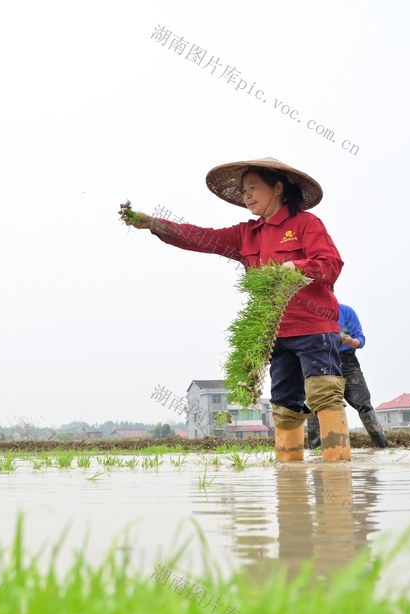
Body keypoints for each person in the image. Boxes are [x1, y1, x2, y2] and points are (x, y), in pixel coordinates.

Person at [121, 157, 351, 462]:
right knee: (284, 406)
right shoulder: (247, 234)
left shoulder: (306, 225)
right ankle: (290, 482)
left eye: (253, 188)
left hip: (314, 328)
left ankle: (337, 474)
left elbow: (331, 265)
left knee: (324, 394)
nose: (247, 196)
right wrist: (154, 223)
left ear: (278, 188)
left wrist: (296, 266)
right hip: (273, 335)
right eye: (244, 191)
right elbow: (204, 238)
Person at [307, 302, 390, 449]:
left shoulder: (345, 311)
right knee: (317, 405)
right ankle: (315, 450)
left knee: (364, 404)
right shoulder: (310, 312)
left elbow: (360, 338)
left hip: (347, 361)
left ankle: (382, 447)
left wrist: (350, 341)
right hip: (320, 361)